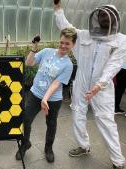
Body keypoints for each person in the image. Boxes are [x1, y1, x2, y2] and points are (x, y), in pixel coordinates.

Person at [54, 1, 126, 169]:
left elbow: (114, 64)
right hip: (81, 81)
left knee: (106, 121)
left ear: (115, 21)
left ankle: (118, 161)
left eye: (107, 18)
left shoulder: (121, 40)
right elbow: (65, 26)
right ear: (95, 17)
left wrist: (99, 85)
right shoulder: (84, 35)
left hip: (102, 88)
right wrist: (57, 7)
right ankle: (83, 145)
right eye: (101, 16)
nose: (103, 20)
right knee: (77, 114)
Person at [15, 28, 77, 163]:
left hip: (53, 100)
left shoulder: (68, 65)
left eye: (67, 43)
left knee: (51, 123)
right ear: (58, 41)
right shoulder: (47, 52)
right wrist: (34, 48)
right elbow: (29, 63)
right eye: (62, 42)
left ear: (73, 45)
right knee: (25, 119)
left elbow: (56, 84)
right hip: (35, 93)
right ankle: (25, 144)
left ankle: (48, 149)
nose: (63, 46)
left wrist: (45, 99)